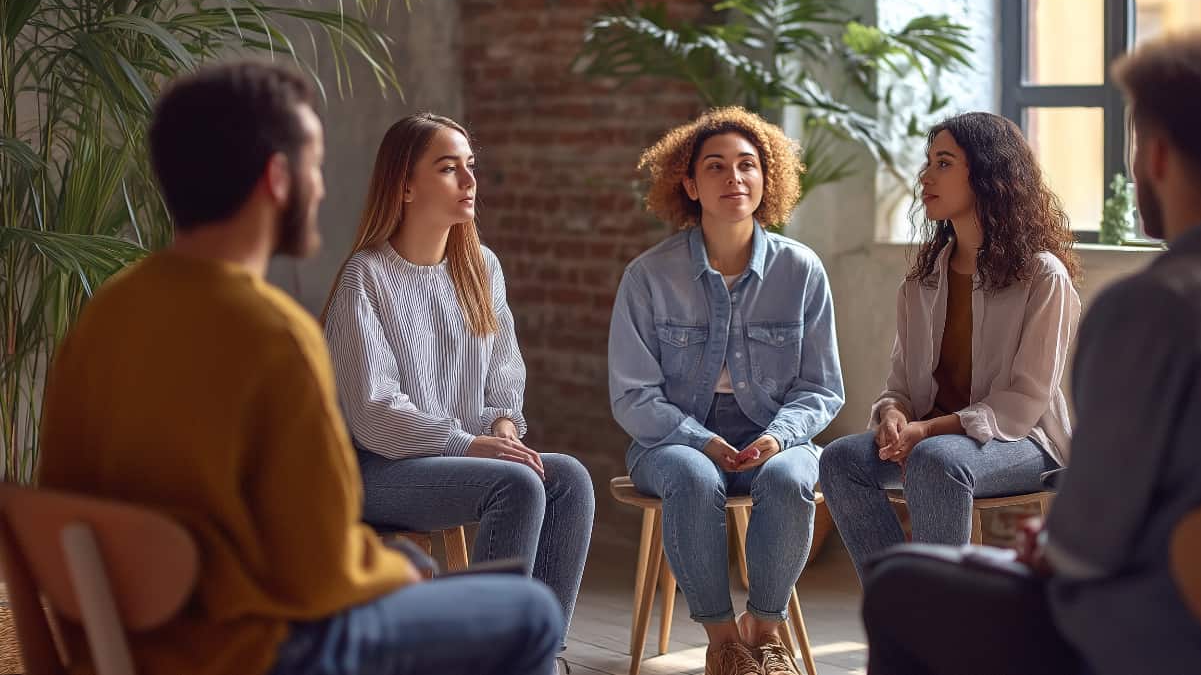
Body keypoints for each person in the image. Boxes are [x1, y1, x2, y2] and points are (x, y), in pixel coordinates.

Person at [860, 30, 1201, 675]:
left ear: (1160, 156)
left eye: (1136, 143)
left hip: (1159, 635)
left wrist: (1060, 543)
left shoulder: (1142, 312)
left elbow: (1091, 544)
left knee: (900, 585)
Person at [38, 64, 562, 675]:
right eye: (315, 166)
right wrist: (404, 577)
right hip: (255, 650)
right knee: (528, 612)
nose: (321, 187)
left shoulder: (106, 313)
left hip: (140, 644)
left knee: (437, 572)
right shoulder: (274, 336)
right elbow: (324, 565)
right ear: (277, 179)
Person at [321, 112, 595, 659]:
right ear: (403, 184)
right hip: (377, 469)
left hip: (466, 455)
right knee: (514, 486)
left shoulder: (480, 266)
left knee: (567, 478)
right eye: (449, 169)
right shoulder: (365, 276)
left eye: (470, 167)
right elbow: (374, 413)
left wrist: (502, 426)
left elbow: (504, 372)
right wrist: (469, 444)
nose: (469, 182)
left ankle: (538, 658)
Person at [608, 107, 844, 675]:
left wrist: (780, 438)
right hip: (671, 442)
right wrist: (701, 440)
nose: (733, 178)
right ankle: (722, 644)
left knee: (791, 482)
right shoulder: (648, 275)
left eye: (747, 165)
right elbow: (632, 396)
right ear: (689, 184)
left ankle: (762, 633)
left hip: (774, 436)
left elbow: (822, 388)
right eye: (715, 167)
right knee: (693, 478)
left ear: (767, 179)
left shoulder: (802, 270)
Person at [820, 112, 1079, 580]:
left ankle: (943, 625)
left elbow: (1024, 400)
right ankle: (901, 608)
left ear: (986, 174)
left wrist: (928, 432)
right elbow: (898, 384)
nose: (925, 176)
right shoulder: (922, 279)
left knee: (937, 460)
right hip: (932, 443)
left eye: (943, 163)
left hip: (1022, 441)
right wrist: (895, 416)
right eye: (928, 162)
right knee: (839, 459)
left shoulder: (1043, 276)